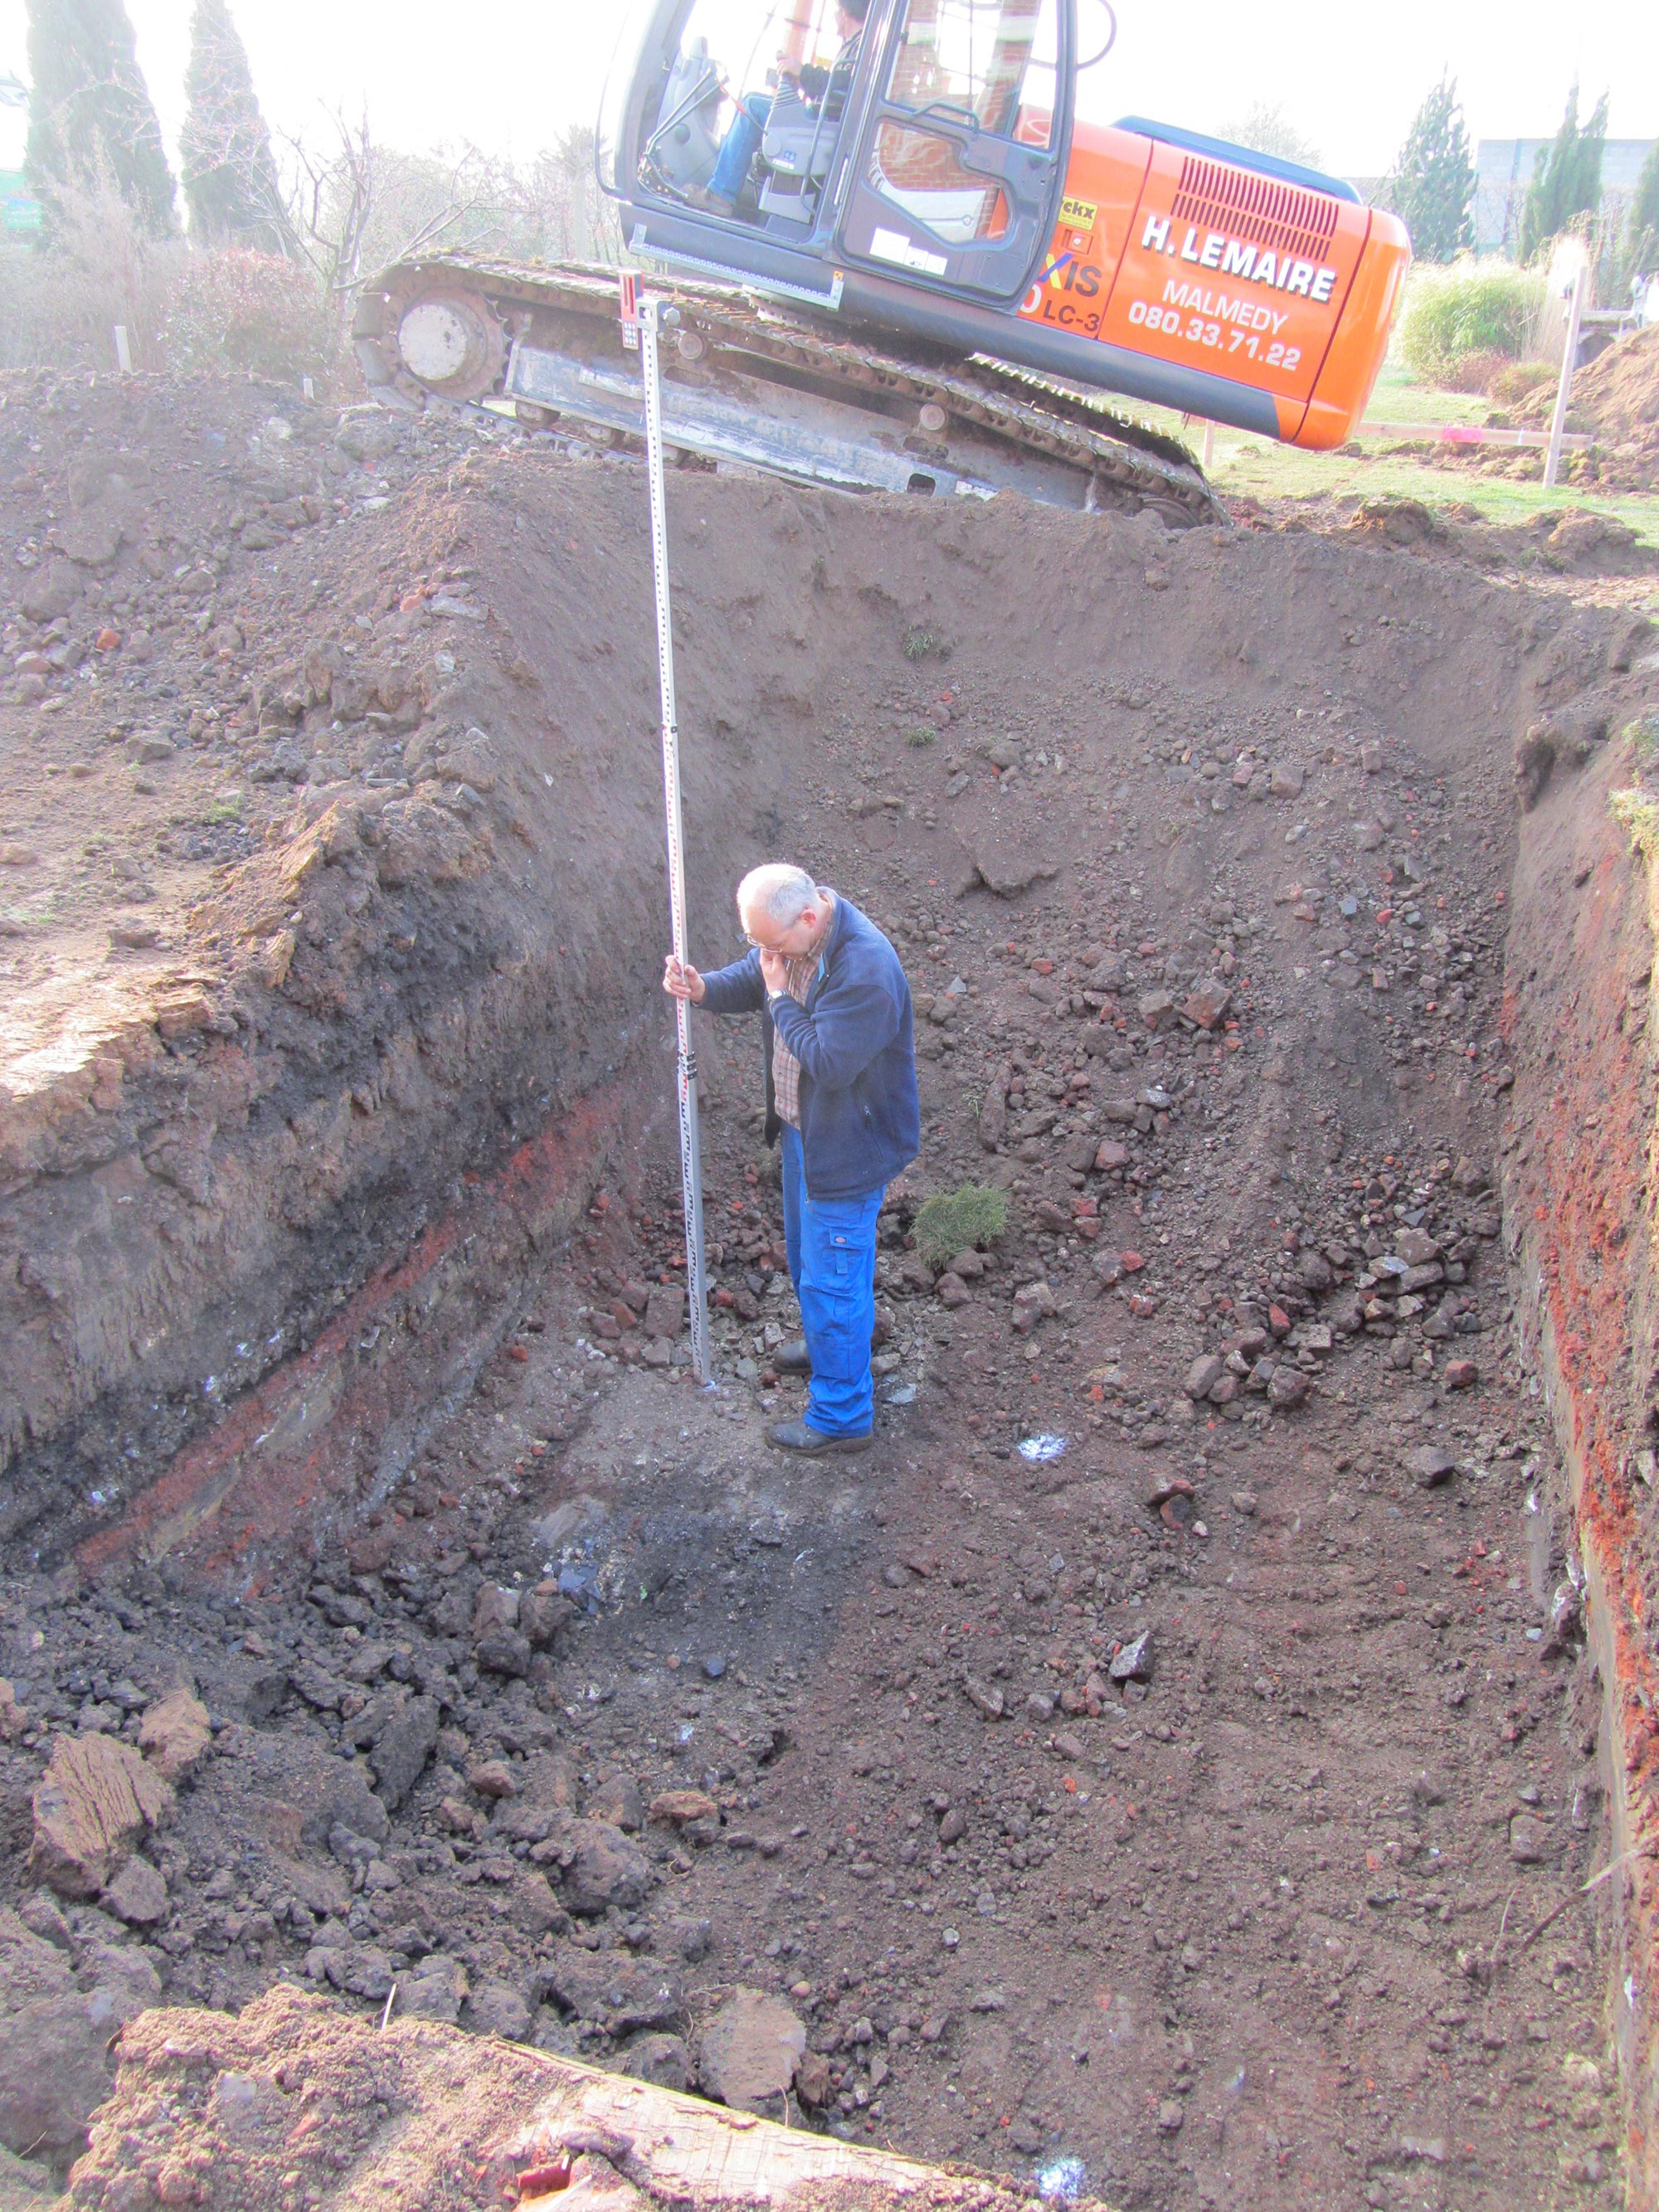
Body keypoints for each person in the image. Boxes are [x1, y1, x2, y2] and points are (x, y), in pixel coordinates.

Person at [663, 862, 917, 1453]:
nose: (764, 956)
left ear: (808, 917)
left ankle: (842, 1415)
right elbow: (759, 975)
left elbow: (828, 1063)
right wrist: (702, 988)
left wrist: (779, 997)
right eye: (756, 944)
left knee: (832, 1277)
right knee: (813, 1262)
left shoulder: (865, 971)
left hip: (851, 1145)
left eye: (771, 945)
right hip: (811, 1133)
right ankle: (834, 1345)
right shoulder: (798, 935)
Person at [691, 0, 869, 215]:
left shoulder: (862, 47)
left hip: (824, 127)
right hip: (820, 121)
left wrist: (802, 71)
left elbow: (843, 87)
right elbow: (831, 90)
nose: (833, 16)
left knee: (752, 106)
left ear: (844, 12)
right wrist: (798, 79)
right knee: (755, 100)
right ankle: (724, 182)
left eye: (835, 10)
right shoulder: (851, 46)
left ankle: (721, 195)